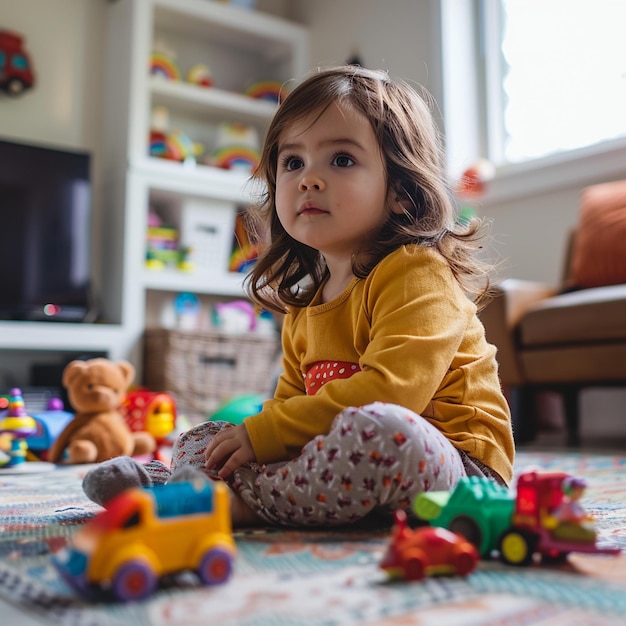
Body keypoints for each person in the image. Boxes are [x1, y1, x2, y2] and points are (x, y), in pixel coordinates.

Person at [83, 66, 514, 527]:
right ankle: (195, 484)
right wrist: (256, 436)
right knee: (209, 432)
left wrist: (269, 434)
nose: (309, 179)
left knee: (383, 429)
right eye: (293, 163)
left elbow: (394, 392)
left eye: (342, 160)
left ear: (401, 193)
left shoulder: (417, 271)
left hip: (455, 471)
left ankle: (235, 502)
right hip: (349, 466)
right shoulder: (305, 306)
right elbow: (288, 410)